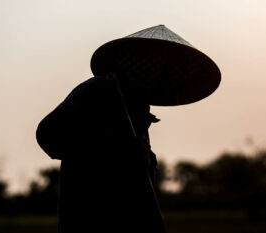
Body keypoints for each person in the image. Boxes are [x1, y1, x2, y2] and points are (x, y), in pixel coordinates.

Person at [36, 25, 221, 233]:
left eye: (169, 69)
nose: (161, 72)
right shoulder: (100, 90)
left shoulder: (140, 112)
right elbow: (48, 135)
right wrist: (114, 148)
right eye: (155, 62)